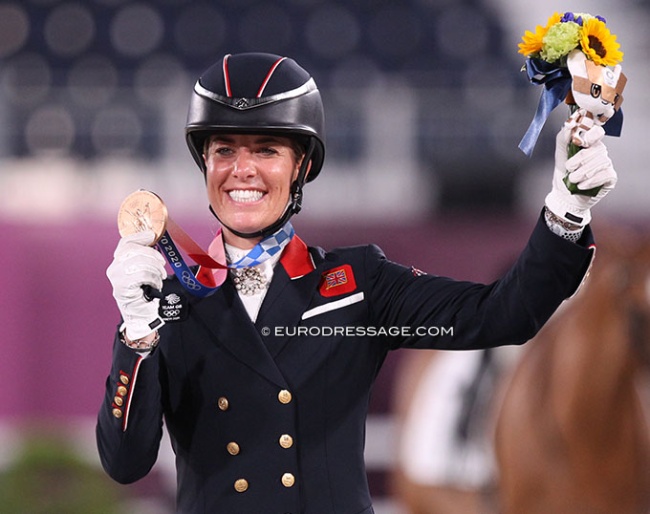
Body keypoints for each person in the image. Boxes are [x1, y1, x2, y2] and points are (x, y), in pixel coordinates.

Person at [97, 52, 616, 514]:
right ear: (204, 163)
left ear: (300, 166)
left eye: (267, 151)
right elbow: (125, 463)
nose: (243, 170)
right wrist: (137, 337)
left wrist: (566, 212)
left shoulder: (357, 283)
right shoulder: (165, 302)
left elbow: (503, 314)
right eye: (224, 150)